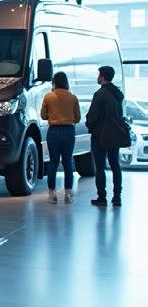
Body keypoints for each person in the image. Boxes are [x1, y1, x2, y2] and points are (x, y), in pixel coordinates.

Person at [85, 65, 129, 206]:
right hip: (115, 134)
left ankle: (102, 197)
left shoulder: (100, 94)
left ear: (102, 77)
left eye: (99, 75)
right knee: (115, 165)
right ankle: (117, 197)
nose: (98, 77)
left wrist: (89, 124)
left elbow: (92, 117)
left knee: (100, 167)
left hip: (100, 135)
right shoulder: (117, 94)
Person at [40, 71, 80, 204]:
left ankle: (52, 194)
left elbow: (43, 116)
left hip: (53, 131)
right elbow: (78, 118)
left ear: (54, 82)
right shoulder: (73, 97)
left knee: (53, 162)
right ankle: (68, 194)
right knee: (68, 162)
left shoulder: (48, 97)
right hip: (69, 131)